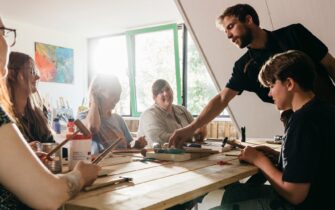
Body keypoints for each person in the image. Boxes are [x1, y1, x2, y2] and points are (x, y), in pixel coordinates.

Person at [169, 3, 335, 148]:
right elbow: (222, 99)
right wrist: (190, 128)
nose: (228, 35)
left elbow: (330, 64)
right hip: (299, 128)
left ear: (249, 20)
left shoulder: (294, 33)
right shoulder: (244, 67)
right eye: (225, 31)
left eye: (230, 26)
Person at [212, 50, 335, 210]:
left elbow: (295, 194)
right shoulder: (325, 110)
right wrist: (278, 155)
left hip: (308, 205)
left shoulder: (302, 121)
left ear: (289, 84)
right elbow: (313, 162)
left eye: (271, 85)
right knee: (235, 193)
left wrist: (259, 160)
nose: (269, 93)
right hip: (325, 198)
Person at [0, 17, 100, 209]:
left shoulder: (35, 115)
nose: (6, 41)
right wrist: (81, 175)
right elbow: (49, 195)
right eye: (2, 32)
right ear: (15, 75)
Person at [79, 74, 147, 155]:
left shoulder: (118, 119)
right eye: (113, 94)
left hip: (122, 165)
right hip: (102, 166)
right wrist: (93, 99)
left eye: (119, 94)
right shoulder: (83, 117)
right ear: (98, 93)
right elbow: (93, 127)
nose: (117, 98)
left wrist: (137, 145)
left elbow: (127, 148)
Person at [138, 79, 207, 147]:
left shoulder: (182, 110)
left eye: (168, 89)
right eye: (161, 92)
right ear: (154, 98)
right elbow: (161, 140)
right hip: (160, 157)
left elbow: (196, 129)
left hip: (184, 155)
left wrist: (200, 133)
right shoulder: (149, 115)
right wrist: (192, 135)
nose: (166, 93)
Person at [7, 51, 54, 143]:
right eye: (32, 71)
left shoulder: (38, 113)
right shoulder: (4, 117)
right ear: (12, 75)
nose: (37, 77)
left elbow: (51, 145)